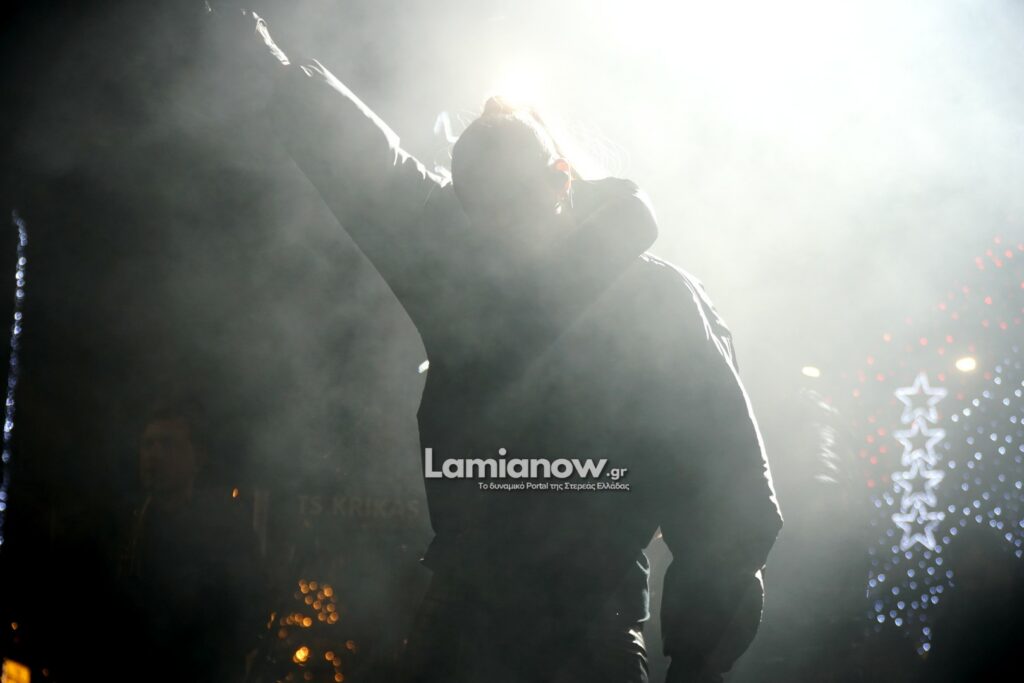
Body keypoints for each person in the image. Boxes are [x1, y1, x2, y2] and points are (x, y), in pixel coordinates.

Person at [216, 9, 782, 682]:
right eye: (479, 213)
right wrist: (269, 63)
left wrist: (696, 665)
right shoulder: (460, 267)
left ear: (561, 180)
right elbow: (363, 162)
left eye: (509, 209)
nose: (496, 236)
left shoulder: (655, 303)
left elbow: (727, 495)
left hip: (580, 637)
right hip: (473, 624)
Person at [118, 397, 261, 683]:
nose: (154, 455)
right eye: (148, 445)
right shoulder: (122, 524)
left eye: (168, 444)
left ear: (197, 458)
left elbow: (247, 609)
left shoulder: (226, 528)